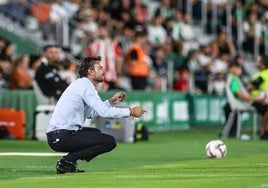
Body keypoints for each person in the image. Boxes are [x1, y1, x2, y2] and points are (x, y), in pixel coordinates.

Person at [46, 56, 147, 174]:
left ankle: (70, 162)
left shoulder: (83, 85)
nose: (103, 71)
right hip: (61, 136)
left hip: (60, 135)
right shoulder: (85, 86)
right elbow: (104, 113)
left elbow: (90, 114)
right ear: (90, 71)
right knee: (109, 142)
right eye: (100, 68)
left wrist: (110, 102)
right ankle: (67, 161)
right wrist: (130, 111)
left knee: (96, 134)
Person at [247, 55, 268, 139]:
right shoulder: (262, 74)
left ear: (263, 63)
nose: (257, 63)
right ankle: (264, 132)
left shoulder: (261, 75)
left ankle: (264, 131)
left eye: (259, 61)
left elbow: (250, 88)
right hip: (258, 100)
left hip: (259, 99)